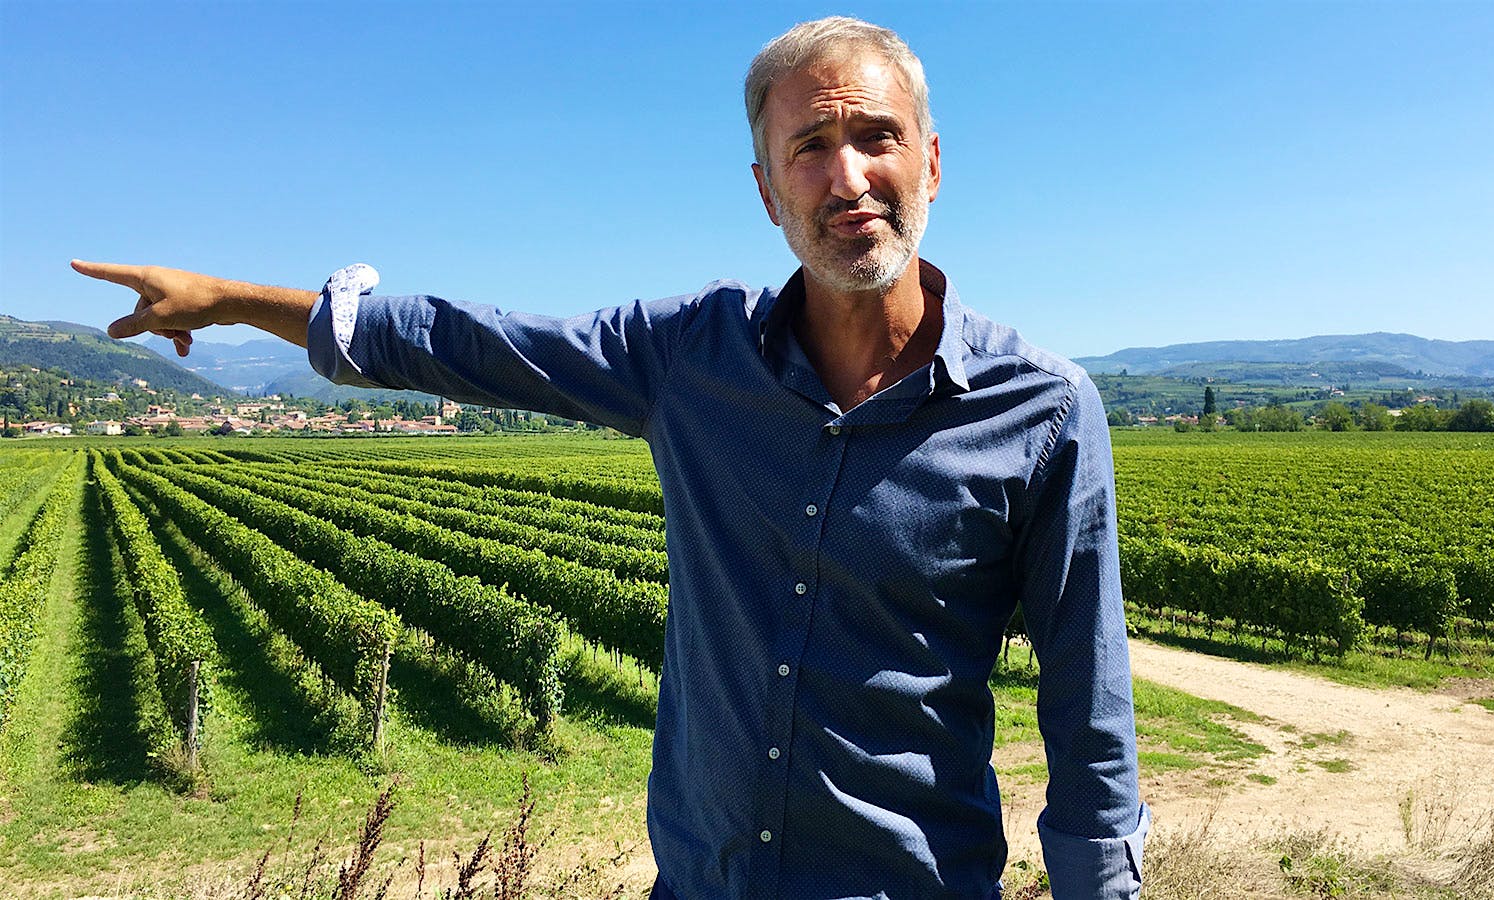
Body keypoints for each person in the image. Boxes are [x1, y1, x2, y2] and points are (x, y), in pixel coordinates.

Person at [74, 16, 1149, 899]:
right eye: (810, 148)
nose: (849, 176)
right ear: (768, 192)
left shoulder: (1043, 413)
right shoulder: (690, 356)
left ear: (932, 161)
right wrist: (229, 300)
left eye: (877, 136)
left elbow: (1088, 715)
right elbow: (474, 343)